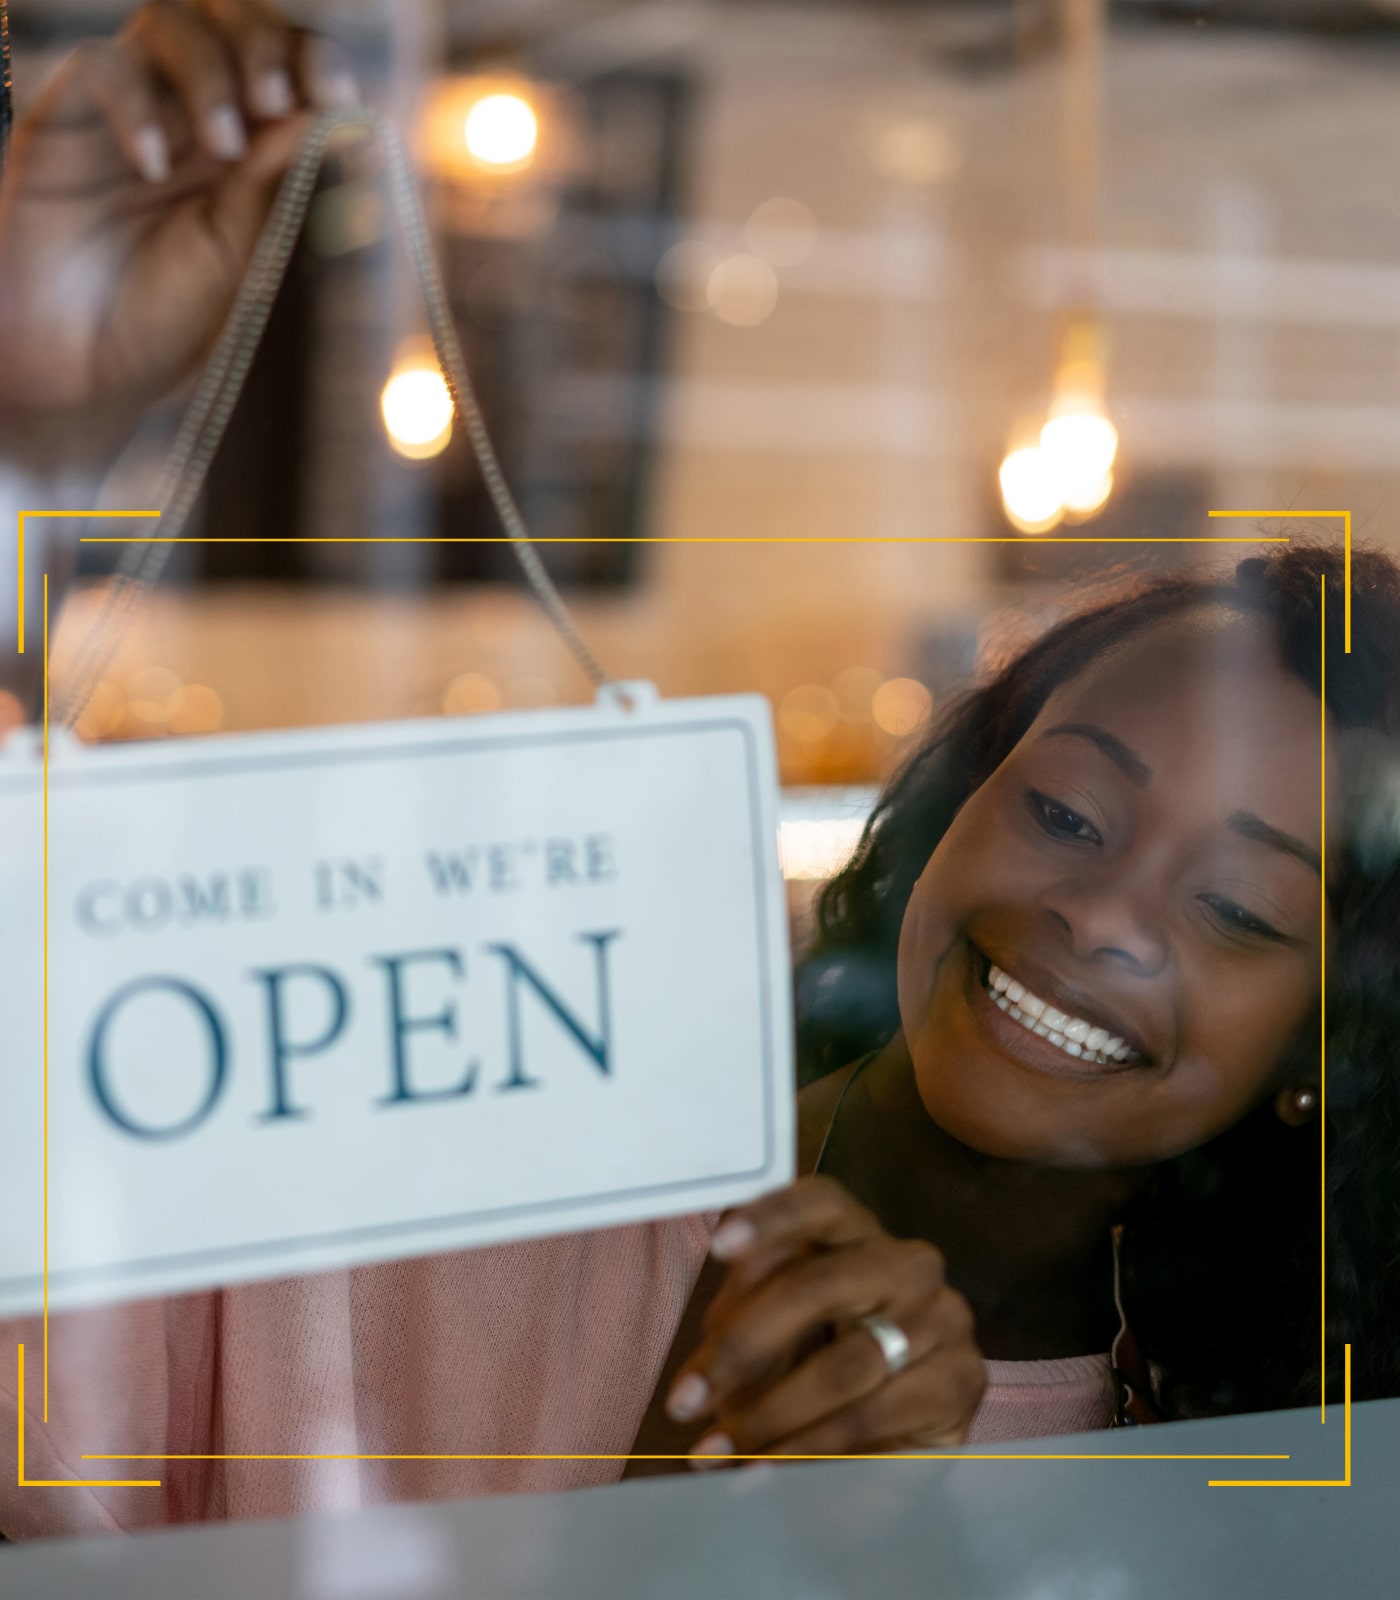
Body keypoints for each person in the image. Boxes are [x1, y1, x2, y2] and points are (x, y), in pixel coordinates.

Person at [2, 0, 1398, 1544]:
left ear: (1331, 1049)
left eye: (1242, 909)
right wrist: (36, 433)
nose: (1106, 915)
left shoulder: (1253, 1484)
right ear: (946, 822)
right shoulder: (443, 1162)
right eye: (1066, 808)